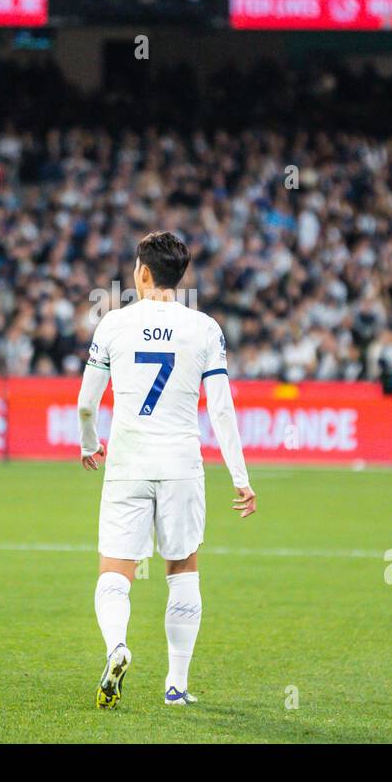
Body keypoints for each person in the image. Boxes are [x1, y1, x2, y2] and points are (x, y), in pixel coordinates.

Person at [76, 231, 256, 709]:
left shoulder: (113, 323)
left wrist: (90, 444)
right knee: (183, 570)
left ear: (143, 272)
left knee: (115, 570)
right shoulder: (205, 328)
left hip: (129, 461)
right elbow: (221, 410)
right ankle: (176, 686)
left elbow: (86, 405)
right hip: (180, 464)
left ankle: (117, 647)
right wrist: (241, 478)